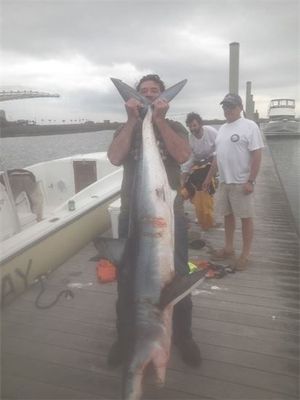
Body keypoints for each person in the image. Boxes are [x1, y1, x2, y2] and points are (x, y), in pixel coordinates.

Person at [107, 74, 201, 368]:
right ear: (134, 97)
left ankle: (183, 336)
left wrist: (158, 120)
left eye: (154, 92)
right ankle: (125, 339)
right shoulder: (126, 127)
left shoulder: (174, 127)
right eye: (143, 92)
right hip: (132, 218)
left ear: (164, 98)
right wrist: (133, 119)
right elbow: (114, 157)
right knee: (126, 280)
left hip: (168, 219)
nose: (148, 96)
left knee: (179, 276)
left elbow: (183, 155)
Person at [203, 93, 264, 270]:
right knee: (227, 216)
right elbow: (217, 158)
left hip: (241, 182)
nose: (227, 110)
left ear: (240, 107)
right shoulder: (222, 129)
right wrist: (208, 178)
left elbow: (257, 154)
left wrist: (251, 181)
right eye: (225, 107)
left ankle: (245, 254)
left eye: (231, 106)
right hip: (224, 182)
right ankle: (229, 248)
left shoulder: (249, 126)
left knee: (246, 218)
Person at [181, 112, 218, 230]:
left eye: (194, 125)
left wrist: (210, 175)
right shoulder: (190, 138)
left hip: (214, 163)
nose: (192, 129)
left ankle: (207, 218)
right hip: (198, 166)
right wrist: (183, 178)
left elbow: (220, 152)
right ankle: (182, 215)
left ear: (200, 124)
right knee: (184, 190)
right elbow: (190, 159)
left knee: (204, 189)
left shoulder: (211, 132)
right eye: (190, 126)